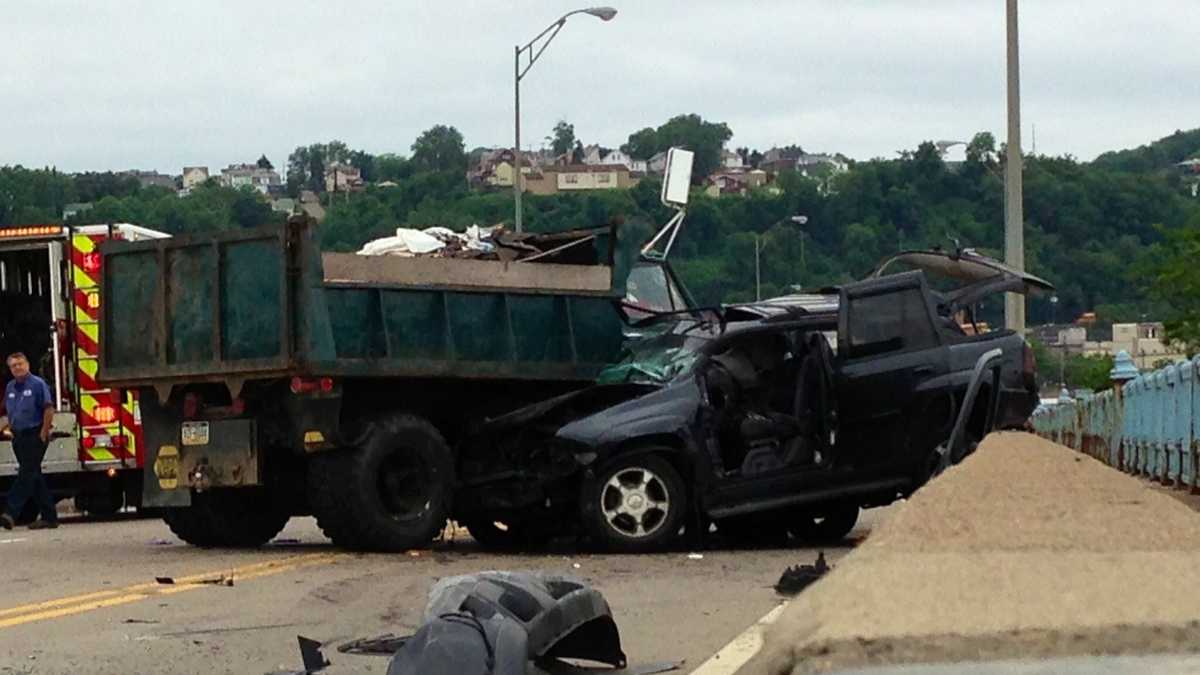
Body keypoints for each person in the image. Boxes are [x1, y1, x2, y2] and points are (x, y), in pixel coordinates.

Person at [0, 352, 58, 530]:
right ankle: (49, 517)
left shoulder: (38, 384)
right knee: (34, 476)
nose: (17, 368)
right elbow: (10, 411)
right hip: (18, 436)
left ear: (27, 365)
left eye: (20, 364)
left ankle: (10, 512)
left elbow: (48, 409)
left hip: (35, 434)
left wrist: (43, 432)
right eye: (13, 366)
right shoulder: (10, 387)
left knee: (26, 474)